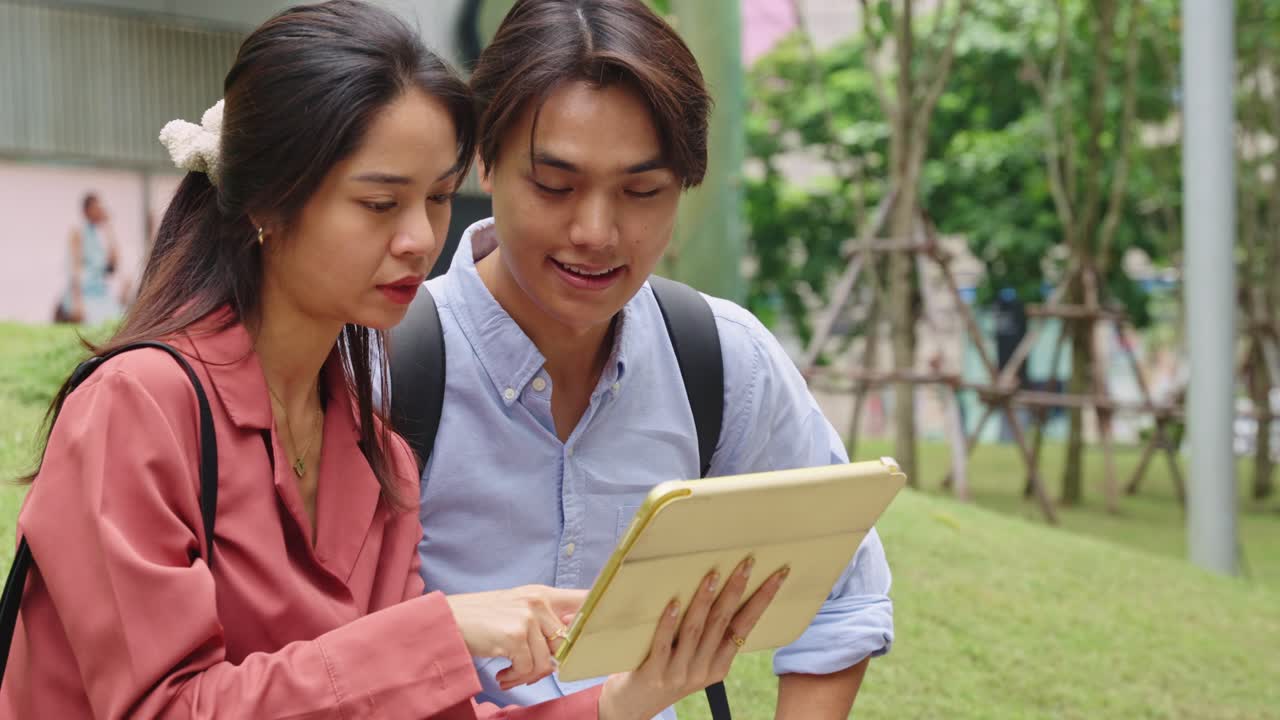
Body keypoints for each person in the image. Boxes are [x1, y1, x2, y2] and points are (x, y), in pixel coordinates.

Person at [1, 3, 782, 719]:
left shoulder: (374, 446)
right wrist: (438, 631)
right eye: (380, 204)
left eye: (439, 198)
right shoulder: (139, 410)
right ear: (271, 202)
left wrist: (624, 698)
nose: (419, 239)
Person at [412, 1, 894, 718]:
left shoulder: (719, 358)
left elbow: (845, 596)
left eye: (642, 191)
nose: (596, 232)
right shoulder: (386, 365)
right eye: (555, 185)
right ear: (483, 156)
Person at [55, 192, 122, 324]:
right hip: (83, 293)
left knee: (117, 320)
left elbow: (113, 267)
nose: (99, 211)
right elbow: (74, 268)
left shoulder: (99, 236)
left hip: (100, 292)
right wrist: (77, 301)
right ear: (86, 210)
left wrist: (109, 227)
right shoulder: (78, 232)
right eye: (95, 207)